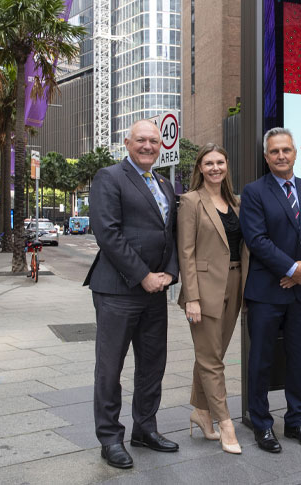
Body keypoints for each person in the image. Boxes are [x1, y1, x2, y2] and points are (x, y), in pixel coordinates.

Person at [83, 119, 180, 469]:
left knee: (153, 364)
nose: (148, 146)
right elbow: (107, 233)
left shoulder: (165, 183)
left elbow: (171, 232)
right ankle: (110, 438)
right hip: (118, 290)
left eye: (154, 141)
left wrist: (170, 272)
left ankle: (145, 428)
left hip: (156, 290)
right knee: (110, 368)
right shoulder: (109, 177)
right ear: (127, 142)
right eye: (141, 140)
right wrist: (142, 276)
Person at [239, 127, 301, 454]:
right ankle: (262, 424)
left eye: (286, 150)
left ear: (295, 152)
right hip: (267, 292)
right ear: (266, 157)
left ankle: (296, 421)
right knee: (261, 360)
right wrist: (292, 269)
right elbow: (257, 239)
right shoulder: (254, 192)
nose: (281, 156)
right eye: (274, 151)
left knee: (298, 360)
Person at [177, 143, 249, 455]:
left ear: (226, 166)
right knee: (212, 359)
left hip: (235, 284)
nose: (215, 168)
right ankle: (225, 422)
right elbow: (186, 252)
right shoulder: (191, 201)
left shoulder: (236, 202)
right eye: (209, 163)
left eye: (220, 162)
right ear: (200, 168)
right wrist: (191, 297)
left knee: (210, 353)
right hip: (204, 289)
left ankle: (201, 412)